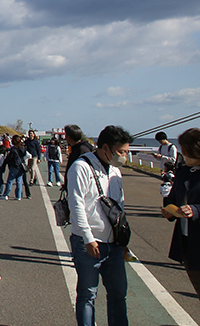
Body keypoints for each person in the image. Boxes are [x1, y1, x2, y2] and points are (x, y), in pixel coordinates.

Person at [67, 124, 132, 326]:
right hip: (89, 242)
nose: (124, 157)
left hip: (113, 244)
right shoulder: (81, 167)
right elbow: (76, 205)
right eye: (121, 152)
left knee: (118, 293)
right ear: (106, 147)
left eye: (127, 152)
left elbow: (119, 209)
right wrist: (87, 238)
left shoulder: (115, 172)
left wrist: (122, 242)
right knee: (87, 294)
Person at [162, 127, 200, 325]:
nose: (184, 155)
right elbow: (173, 198)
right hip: (188, 245)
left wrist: (197, 210)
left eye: (187, 151)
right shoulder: (183, 172)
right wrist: (169, 209)